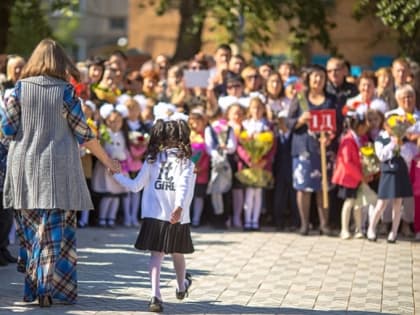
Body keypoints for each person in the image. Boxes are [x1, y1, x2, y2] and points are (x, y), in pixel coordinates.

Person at [0, 38, 120, 307]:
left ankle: (35, 287)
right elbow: (84, 133)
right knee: (57, 231)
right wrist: (108, 161)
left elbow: (6, 130)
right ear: (60, 62)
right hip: (59, 169)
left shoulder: (17, 89)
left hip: (23, 170)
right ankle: (53, 288)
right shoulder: (66, 91)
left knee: (31, 232)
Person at [113, 117, 195, 313]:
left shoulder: (151, 160)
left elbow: (135, 186)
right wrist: (178, 207)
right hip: (177, 216)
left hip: (153, 215)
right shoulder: (186, 163)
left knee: (156, 256)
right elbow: (183, 187)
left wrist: (115, 174)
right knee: (177, 252)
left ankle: (155, 296)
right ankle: (182, 286)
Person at [367, 111, 413, 243]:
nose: (394, 128)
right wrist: (393, 144)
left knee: (398, 203)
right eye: (392, 125)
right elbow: (382, 156)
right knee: (382, 203)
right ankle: (372, 228)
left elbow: (408, 157)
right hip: (388, 173)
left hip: (400, 172)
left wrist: (402, 146)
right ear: (386, 125)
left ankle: (393, 232)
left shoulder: (403, 139)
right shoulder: (381, 139)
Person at [332, 111, 370, 239]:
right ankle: (344, 229)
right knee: (349, 202)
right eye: (365, 125)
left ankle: (359, 229)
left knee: (358, 203)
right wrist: (361, 176)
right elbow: (347, 162)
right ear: (359, 126)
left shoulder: (357, 138)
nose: (366, 128)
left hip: (356, 177)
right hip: (349, 177)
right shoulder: (348, 139)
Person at [0, 137, 17, 266]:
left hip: (6, 187)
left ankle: (3, 249)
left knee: (8, 219)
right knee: (4, 219)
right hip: (2, 186)